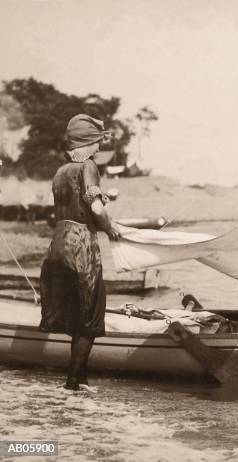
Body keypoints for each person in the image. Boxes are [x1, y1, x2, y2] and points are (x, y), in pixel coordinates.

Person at [39, 114, 121, 390]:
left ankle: (80, 379)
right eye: (97, 141)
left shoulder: (60, 171)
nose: (99, 147)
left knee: (73, 312)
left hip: (57, 245)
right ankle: (73, 381)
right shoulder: (88, 166)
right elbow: (95, 208)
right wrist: (110, 228)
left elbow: (72, 203)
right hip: (80, 244)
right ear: (88, 142)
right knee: (91, 315)